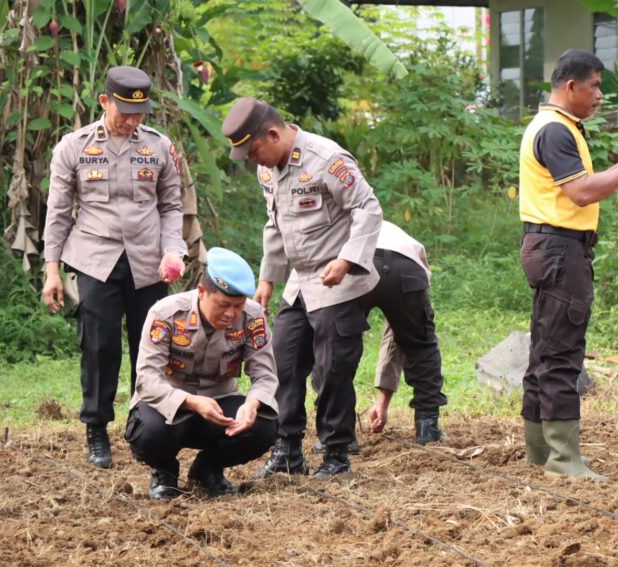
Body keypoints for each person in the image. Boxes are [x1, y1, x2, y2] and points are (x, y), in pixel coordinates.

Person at [221, 97, 383, 478]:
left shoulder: (326, 159)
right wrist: (267, 278)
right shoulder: (269, 170)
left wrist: (347, 259)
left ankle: (336, 453)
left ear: (273, 134)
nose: (252, 160)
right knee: (283, 360)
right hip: (299, 280)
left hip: (336, 278)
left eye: (253, 150)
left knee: (332, 368)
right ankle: (287, 447)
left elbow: (368, 207)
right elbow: (275, 225)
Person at [518, 49, 618, 480]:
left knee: (545, 347)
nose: (600, 95)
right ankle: (564, 459)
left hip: (547, 246)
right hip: (560, 250)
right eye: (594, 86)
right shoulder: (556, 131)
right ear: (570, 86)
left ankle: (540, 451)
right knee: (561, 353)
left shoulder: (553, 126)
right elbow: (580, 192)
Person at [42, 66, 187, 470]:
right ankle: (97, 430)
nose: (132, 120)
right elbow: (57, 213)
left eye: (140, 113)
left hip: (148, 262)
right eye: (124, 111)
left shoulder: (159, 147)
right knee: (100, 346)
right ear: (104, 102)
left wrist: (173, 251)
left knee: (153, 347)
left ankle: (146, 422)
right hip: (95, 258)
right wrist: (52, 269)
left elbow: (171, 206)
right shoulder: (74, 147)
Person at [125, 247, 278, 499]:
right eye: (223, 305)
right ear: (201, 292)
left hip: (220, 404)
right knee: (147, 431)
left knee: (265, 425)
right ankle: (165, 472)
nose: (231, 314)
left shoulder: (253, 317)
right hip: (170, 403)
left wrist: (251, 404)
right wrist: (192, 402)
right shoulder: (166, 314)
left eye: (238, 306)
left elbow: (265, 375)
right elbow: (147, 378)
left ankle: (208, 469)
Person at [311, 221, 448, 452]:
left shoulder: (335, 227)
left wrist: (382, 402)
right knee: (419, 344)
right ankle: (428, 426)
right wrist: (383, 403)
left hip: (354, 264)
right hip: (406, 267)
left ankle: (338, 433)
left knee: (334, 346)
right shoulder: (394, 232)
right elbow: (397, 337)